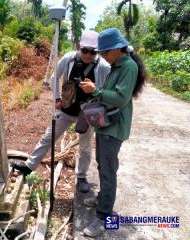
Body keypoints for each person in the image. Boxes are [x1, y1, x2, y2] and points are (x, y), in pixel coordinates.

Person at [10, 30, 110, 193]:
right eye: (85, 50)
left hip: (87, 113)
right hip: (66, 110)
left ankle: (81, 177)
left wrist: (96, 91)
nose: (88, 55)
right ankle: (29, 166)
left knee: (85, 147)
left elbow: (107, 89)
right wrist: (57, 98)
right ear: (80, 46)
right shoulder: (69, 58)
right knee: (48, 138)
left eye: (92, 52)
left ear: (97, 51)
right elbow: (54, 77)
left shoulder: (103, 67)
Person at [80, 28, 146, 237]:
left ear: (118, 48)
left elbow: (119, 98)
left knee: (108, 171)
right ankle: (102, 199)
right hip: (106, 124)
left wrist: (96, 91)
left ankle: (103, 217)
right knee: (103, 165)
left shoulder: (128, 67)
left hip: (114, 128)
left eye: (106, 52)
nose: (104, 57)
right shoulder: (117, 65)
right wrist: (95, 90)